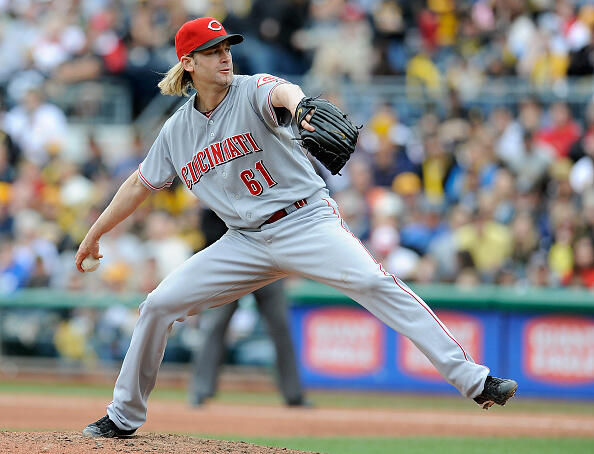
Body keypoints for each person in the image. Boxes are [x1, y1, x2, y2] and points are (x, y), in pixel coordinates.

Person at [77, 17, 517, 438]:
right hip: (243, 241)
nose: (225, 56)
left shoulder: (252, 90)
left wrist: (301, 104)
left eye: (227, 47)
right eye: (212, 51)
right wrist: (95, 233)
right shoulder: (177, 132)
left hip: (305, 220)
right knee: (157, 305)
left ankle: (474, 381)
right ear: (189, 63)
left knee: (373, 281)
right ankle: (124, 416)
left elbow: (283, 93)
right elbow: (139, 183)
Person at [189, 209, 307, 407]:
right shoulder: (217, 190)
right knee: (216, 325)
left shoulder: (261, 188)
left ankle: (294, 395)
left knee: (281, 327)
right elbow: (208, 234)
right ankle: (200, 390)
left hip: (268, 263)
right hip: (230, 266)